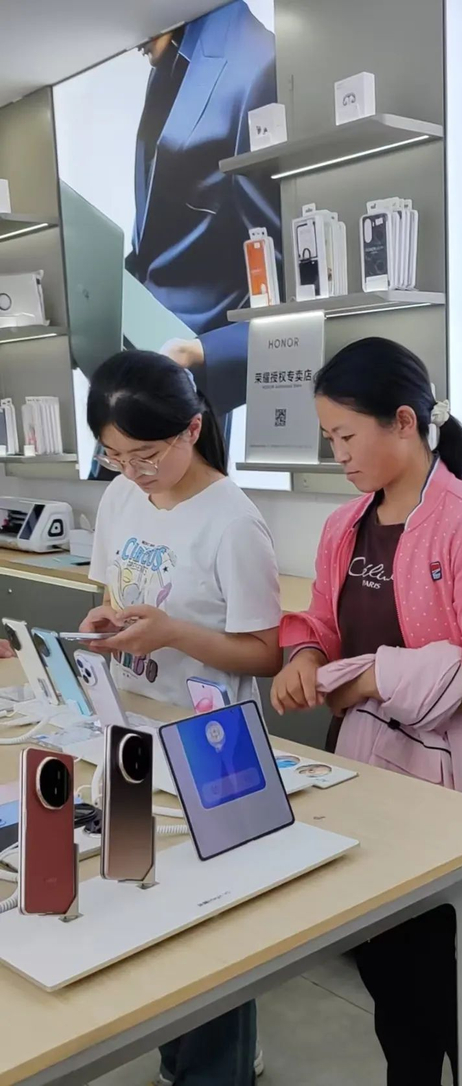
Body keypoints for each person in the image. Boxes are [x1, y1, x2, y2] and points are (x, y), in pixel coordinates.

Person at [271, 337, 462, 1086]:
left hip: (438, 785)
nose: (339, 455)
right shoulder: (345, 526)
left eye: (347, 436)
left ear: (405, 422)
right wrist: (305, 656)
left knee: (435, 976)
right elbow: (321, 622)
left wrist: (371, 680)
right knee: (388, 970)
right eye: (329, 439)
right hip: (362, 772)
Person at [80, 349, 281, 1086]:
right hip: (133, 729)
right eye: (115, 455)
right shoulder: (120, 497)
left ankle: (219, 1068)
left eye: (146, 454)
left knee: (216, 924)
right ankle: (180, 1060)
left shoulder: (232, 522)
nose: (132, 470)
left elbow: (264, 653)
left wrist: (173, 635)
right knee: (153, 909)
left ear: (193, 429)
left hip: (214, 745)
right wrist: (103, 621)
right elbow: (110, 591)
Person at [128, 1, 282, 415]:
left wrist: (201, 352)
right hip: (144, 359)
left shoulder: (259, 66)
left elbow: (280, 277)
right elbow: (158, 232)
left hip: (193, 378)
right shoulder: (170, 61)